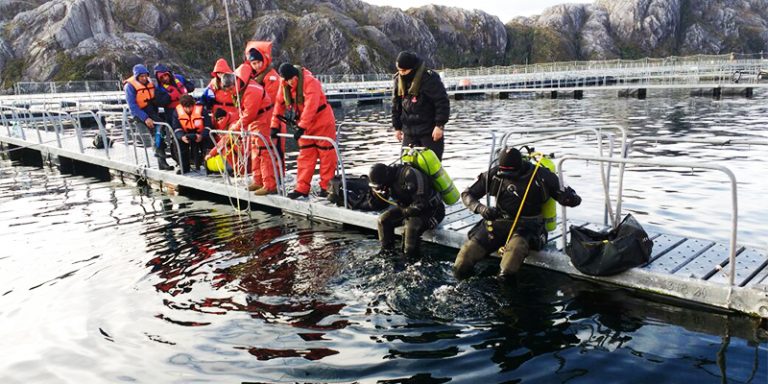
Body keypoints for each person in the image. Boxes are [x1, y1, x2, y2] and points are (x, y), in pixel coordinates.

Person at [453, 147, 582, 280]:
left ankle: (504, 295)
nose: (507, 177)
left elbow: (574, 199)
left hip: (528, 226)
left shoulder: (541, 175)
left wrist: (567, 198)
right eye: (504, 173)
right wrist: (481, 209)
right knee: (463, 259)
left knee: (508, 267)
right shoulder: (495, 174)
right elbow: (467, 194)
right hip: (499, 223)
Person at [271, 63, 337, 199]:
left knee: (327, 156)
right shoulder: (284, 84)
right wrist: (274, 125)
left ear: (296, 76)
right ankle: (301, 188)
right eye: (287, 80)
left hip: (322, 122)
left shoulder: (311, 82)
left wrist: (301, 127)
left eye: (291, 79)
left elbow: (311, 107)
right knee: (305, 156)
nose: (289, 82)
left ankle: (326, 188)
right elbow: (279, 104)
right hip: (305, 125)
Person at [368, 162, 445, 257]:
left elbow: (420, 205)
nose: (382, 188)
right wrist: (378, 196)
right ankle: (387, 253)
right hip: (408, 209)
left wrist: (405, 212)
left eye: (382, 185)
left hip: (432, 211)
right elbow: (380, 205)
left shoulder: (410, 175)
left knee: (411, 226)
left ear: (386, 176)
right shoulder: (387, 183)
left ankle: (411, 260)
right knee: (383, 220)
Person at [391, 51, 450, 161]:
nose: (401, 73)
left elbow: (441, 102)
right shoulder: (398, 79)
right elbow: (396, 105)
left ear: (412, 68)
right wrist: (397, 127)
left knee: (430, 166)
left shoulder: (430, 79)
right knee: (406, 166)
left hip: (429, 132)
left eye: (404, 71)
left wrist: (439, 125)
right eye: (399, 70)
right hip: (408, 132)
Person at [123, 63, 173, 170]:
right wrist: (145, 118)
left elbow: (157, 94)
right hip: (139, 113)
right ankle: (159, 156)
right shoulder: (129, 86)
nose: (144, 78)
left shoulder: (150, 82)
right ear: (137, 77)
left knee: (160, 130)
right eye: (141, 76)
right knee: (154, 133)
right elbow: (132, 106)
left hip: (151, 111)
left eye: (146, 75)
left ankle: (161, 160)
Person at [172, 94, 212, 173]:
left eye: (190, 107)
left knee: (209, 141)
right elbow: (176, 128)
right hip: (185, 134)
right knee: (178, 143)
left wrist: (202, 135)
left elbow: (208, 126)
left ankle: (209, 167)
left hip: (200, 134)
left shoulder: (202, 110)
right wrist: (182, 137)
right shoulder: (176, 112)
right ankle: (184, 167)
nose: (188, 109)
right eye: (186, 107)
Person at [201, 58, 237, 130]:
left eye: (222, 72)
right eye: (218, 73)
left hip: (232, 110)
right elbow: (206, 95)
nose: (220, 75)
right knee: (218, 131)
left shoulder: (234, 81)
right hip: (217, 111)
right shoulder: (213, 82)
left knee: (231, 130)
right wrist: (201, 103)